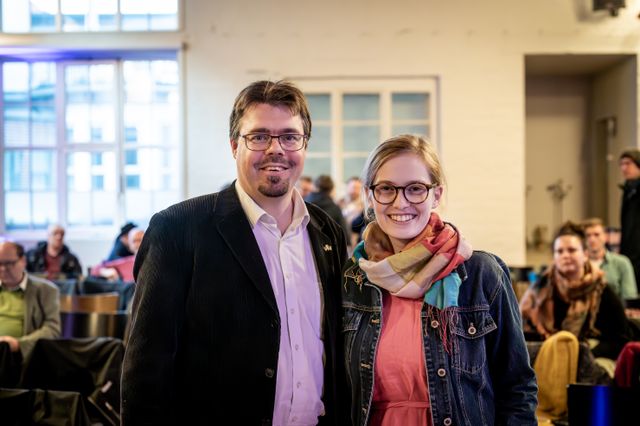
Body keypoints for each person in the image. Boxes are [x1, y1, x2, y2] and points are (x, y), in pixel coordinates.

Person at [122, 80, 348, 425]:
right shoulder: (178, 229)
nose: (276, 149)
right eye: (259, 137)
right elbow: (145, 369)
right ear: (233, 146)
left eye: (290, 136)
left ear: (304, 145)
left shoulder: (325, 231)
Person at [342, 134, 537, 425]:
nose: (401, 201)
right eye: (386, 189)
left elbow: (517, 388)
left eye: (416, 188)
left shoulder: (481, 274)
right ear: (370, 196)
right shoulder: (352, 280)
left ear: (436, 194)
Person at [520, 221, 633, 361]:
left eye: (572, 250)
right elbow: (521, 331)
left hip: (591, 359)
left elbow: (620, 340)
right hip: (547, 356)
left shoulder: (601, 290)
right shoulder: (539, 288)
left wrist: (584, 355)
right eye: (559, 251)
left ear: (585, 254)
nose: (565, 255)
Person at [0, 241, 61, 360]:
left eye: (8, 263)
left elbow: (52, 329)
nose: (2, 269)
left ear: (23, 261)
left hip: (22, 358)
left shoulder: (46, 290)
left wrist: (19, 344)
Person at [582, 217, 637, 301]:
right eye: (588, 235)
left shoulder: (622, 263)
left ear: (605, 237)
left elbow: (629, 298)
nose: (592, 239)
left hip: (615, 311)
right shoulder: (578, 264)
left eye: (596, 235)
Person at [305, 174, 350, 242]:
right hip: (328, 247)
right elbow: (343, 235)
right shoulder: (335, 209)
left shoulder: (304, 204)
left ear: (315, 187)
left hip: (305, 245)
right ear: (331, 189)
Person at [619, 149, 640, 291]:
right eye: (621, 164)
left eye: (628, 163)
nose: (624, 168)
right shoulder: (628, 191)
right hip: (629, 250)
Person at [339, 176, 365, 247]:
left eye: (357, 188)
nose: (354, 191)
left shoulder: (364, 206)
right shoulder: (339, 203)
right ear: (347, 187)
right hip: (340, 239)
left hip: (356, 242)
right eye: (353, 187)